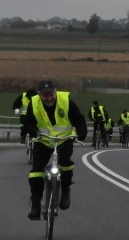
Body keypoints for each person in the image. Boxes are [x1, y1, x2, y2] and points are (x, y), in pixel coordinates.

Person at [24, 80, 87, 220]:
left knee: (65, 162)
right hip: (43, 141)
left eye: (51, 94)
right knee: (36, 172)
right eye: (45, 95)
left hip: (64, 140)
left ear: (55, 92)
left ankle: (65, 190)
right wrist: (33, 131)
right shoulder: (33, 104)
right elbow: (28, 122)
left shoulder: (66, 101)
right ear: (40, 95)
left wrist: (82, 132)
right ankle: (36, 205)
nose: (49, 98)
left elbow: (78, 118)